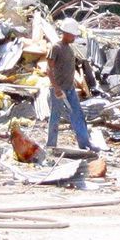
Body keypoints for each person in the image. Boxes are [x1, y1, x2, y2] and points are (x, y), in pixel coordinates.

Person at [46, 17, 94, 151]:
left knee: (78, 115)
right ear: (66, 33)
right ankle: (51, 145)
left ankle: (85, 144)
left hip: (70, 89)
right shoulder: (56, 47)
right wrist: (56, 88)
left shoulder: (69, 48)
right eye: (73, 34)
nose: (74, 37)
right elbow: (48, 69)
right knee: (55, 118)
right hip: (59, 90)